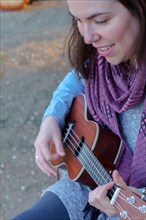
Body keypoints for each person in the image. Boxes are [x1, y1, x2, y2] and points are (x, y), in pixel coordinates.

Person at [12, 0, 146, 220]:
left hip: (128, 203)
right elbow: (77, 78)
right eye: (78, 21)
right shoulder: (102, 62)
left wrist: (137, 197)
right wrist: (52, 118)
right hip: (86, 181)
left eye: (100, 20)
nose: (87, 37)